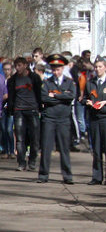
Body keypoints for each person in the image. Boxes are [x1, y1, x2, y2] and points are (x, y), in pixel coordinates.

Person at [37, 53, 76, 184]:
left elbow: (71, 96)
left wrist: (55, 95)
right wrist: (61, 97)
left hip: (63, 119)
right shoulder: (47, 83)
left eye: (58, 69)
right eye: (53, 69)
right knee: (46, 148)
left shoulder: (69, 82)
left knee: (64, 148)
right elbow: (44, 98)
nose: (56, 71)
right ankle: (43, 175)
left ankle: (67, 176)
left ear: (63, 68)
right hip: (49, 118)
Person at [6, 56, 42, 170]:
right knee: (20, 138)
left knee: (34, 137)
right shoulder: (12, 80)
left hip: (32, 109)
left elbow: (39, 93)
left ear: (25, 65)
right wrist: (11, 108)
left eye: (19, 65)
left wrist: (39, 107)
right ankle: (21, 162)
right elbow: (11, 95)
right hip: (19, 110)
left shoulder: (34, 78)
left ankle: (32, 161)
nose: (17, 68)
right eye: (16, 66)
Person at [84, 58, 106, 185]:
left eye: (100, 66)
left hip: (105, 118)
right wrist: (87, 102)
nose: (97, 69)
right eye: (96, 67)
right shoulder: (90, 83)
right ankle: (97, 177)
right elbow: (83, 98)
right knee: (96, 149)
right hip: (94, 119)